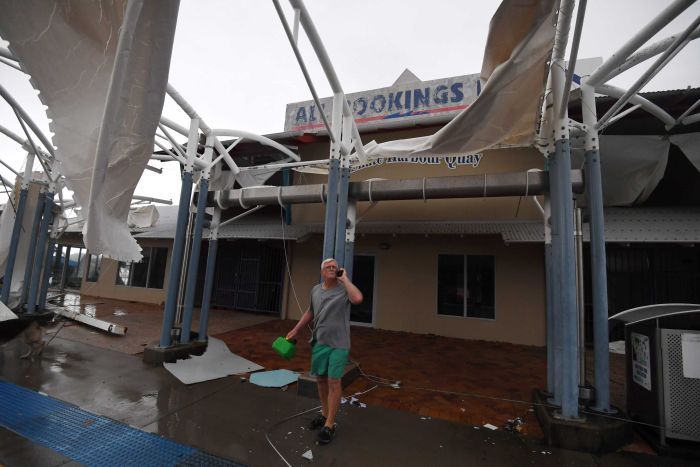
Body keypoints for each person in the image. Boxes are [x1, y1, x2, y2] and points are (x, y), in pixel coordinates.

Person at [286, 257, 363, 445]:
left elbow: (358, 299)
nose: (331, 268)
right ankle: (324, 412)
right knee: (320, 378)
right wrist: (296, 329)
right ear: (322, 272)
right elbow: (310, 312)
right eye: (328, 267)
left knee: (334, 381)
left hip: (339, 344)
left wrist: (345, 279)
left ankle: (329, 425)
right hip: (320, 341)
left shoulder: (344, 289)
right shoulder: (315, 290)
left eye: (334, 267)